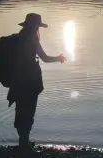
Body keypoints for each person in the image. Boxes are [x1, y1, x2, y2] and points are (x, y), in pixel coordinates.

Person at [7, 13, 66, 156]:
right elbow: (44, 58)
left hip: (17, 81)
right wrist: (58, 58)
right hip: (30, 81)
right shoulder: (32, 39)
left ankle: (23, 142)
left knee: (20, 111)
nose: (38, 29)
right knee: (28, 112)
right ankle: (24, 146)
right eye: (37, 26)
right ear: (34, 26)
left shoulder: (19, 37)